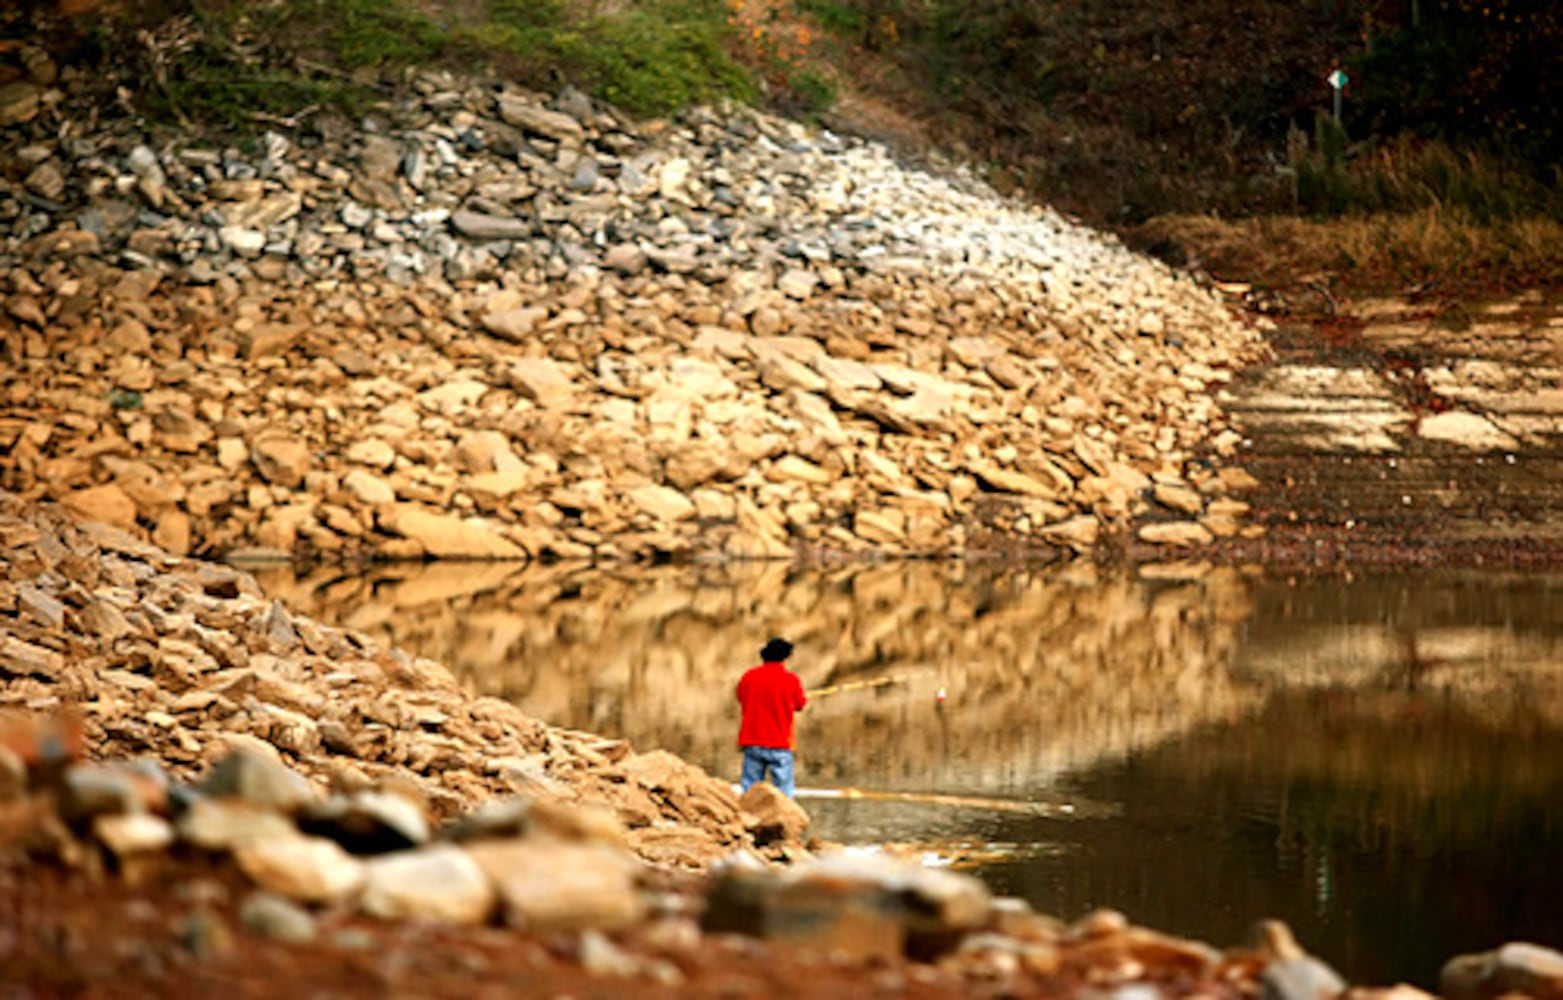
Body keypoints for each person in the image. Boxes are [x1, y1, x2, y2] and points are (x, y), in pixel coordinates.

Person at [736, 637, 808, 798]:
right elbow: (800, 705)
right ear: (785, 657)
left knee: (750, 788)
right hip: (780, 742)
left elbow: (741, 697)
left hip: (752, 740)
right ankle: (784, 819)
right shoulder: (791, 680)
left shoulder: (749, 677)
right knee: (784, 792)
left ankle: (748, 816)